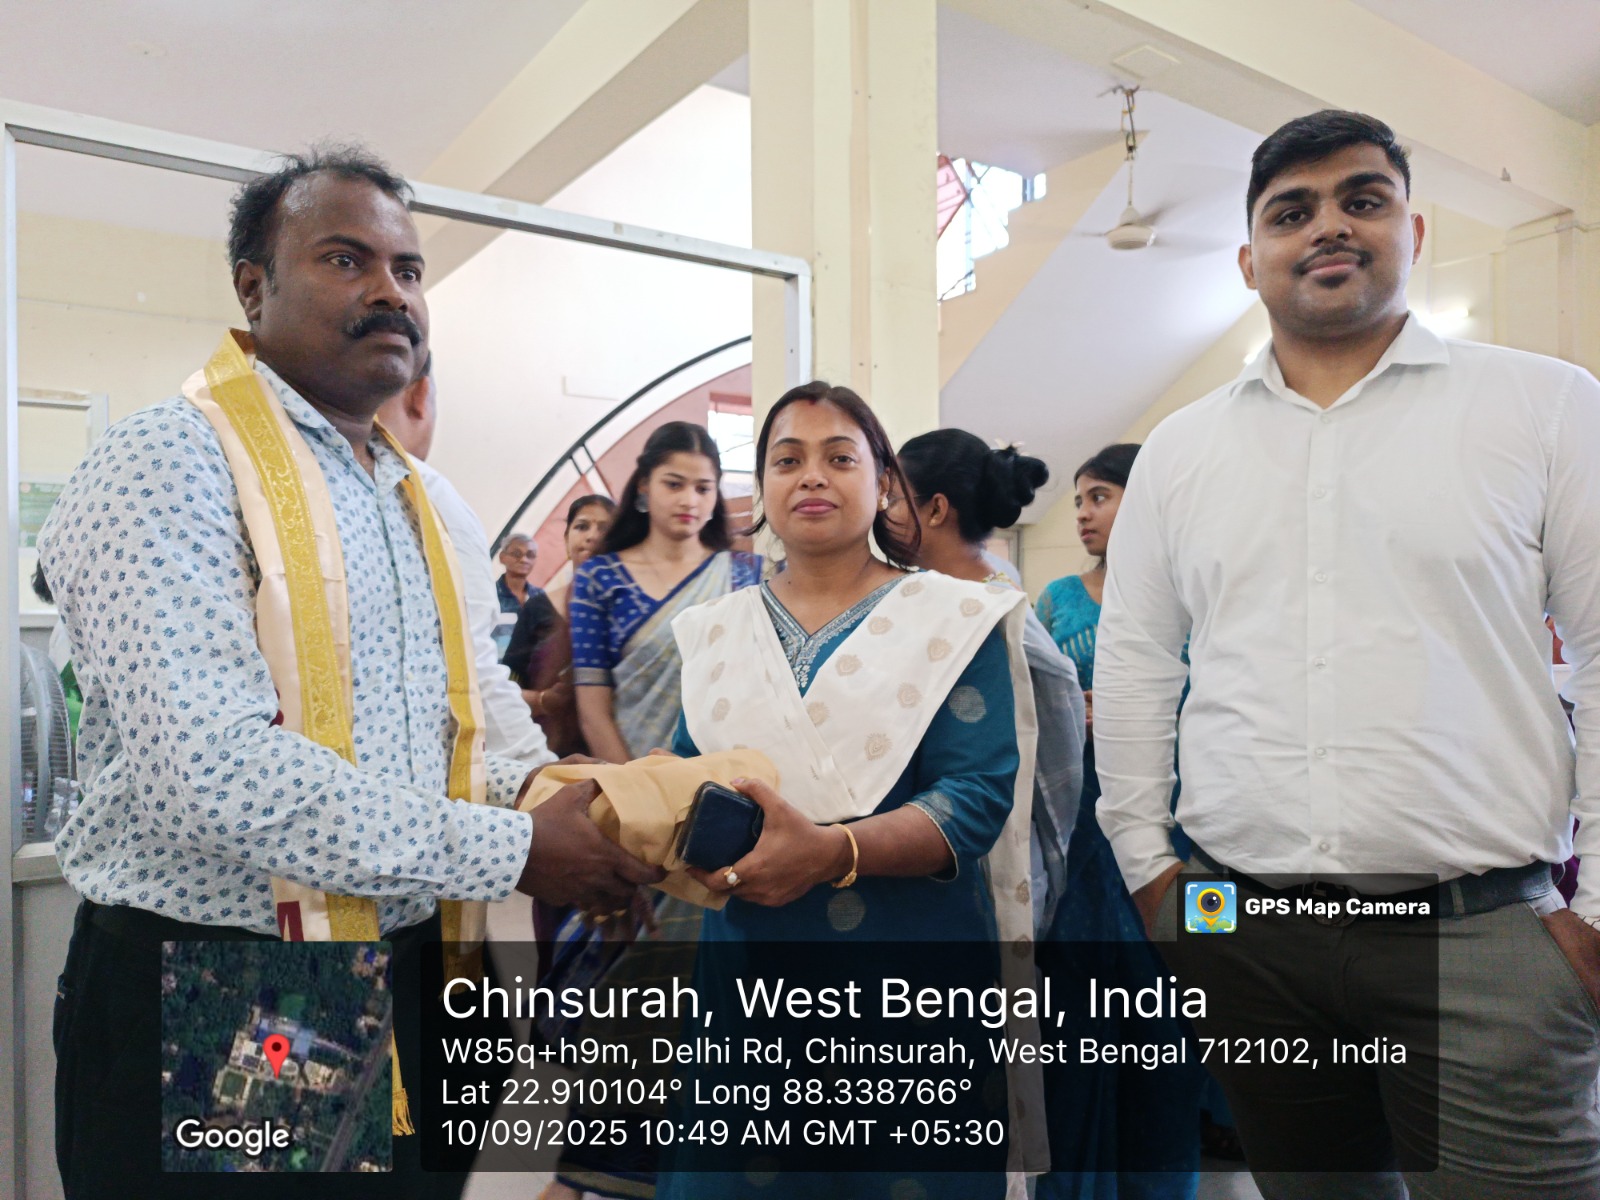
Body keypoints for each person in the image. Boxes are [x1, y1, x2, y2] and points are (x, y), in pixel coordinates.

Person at [37, 146, 662, 1200]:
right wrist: (517, 847)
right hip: (235, 977)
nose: (391, 292)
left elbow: (476, 714)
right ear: (253, 287)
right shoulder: (168, 462)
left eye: (408, 269)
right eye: (345, 259)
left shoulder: (417, 496)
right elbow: (212, 773)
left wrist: (585, 808)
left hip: (415, 960)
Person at [1093, 110, 1600, 1199]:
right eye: (1291, 212)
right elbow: (1136, 663)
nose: (1327, 227)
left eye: (1361, 200)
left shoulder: (1545, 407)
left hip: (1478, 931)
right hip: (1242, 929)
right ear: (1248, 260)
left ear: (1412, 231)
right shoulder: (1183, 450)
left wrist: (1597, 909)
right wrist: (1148, 870)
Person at [660, 383, 1041, 1200]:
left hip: (907, 971)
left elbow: (976, 795)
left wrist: (832, 852)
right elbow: (692, 779)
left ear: (884, 486)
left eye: (840, 457)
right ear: (762, 487)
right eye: (786, 460)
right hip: (750, 971)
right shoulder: (718, 632)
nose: (812, 476)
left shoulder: (951, 619)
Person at [1028, 443, 1203, 1197]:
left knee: (1186, 998)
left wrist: (1142, 714)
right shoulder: (1058, 600)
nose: (1083, 514)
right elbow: (1031, 711)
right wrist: (1073, 712)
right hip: (1086, 829)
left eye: (1100, 496)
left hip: (1192, 827)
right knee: (1082, 1009)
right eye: (1078, 501)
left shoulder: (1194, 589)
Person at [896, 428, 1084, 937]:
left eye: (893, 499)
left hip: (988, 841)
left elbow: (1056, 700)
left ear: (936, 510)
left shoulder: (991, 608)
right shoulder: (931, 592)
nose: (881, 513)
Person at [376, 353, 554, 767]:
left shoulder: (287, 480)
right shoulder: (425, 496)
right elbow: (469, 670)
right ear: (421, 396)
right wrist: (539, 768)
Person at [571, 420, 762, 763]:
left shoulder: (748, 575)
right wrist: (637, 786)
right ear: (644, 485)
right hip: (631, 772)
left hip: (727, 777)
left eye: (703, 489)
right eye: (674, 485)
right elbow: (593, 711)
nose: (689, 500)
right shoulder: (600, 578)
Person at [510, 494, 617, 757]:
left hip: (619, 755)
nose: (592, 536)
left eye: (604, 529)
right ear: (567, 541)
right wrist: (543, 700)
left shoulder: (631, 612)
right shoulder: (538, 608)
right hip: (548, 756)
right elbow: (505, 690)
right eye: (582, 526)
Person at [492, 531, 549, 657]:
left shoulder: (541, 597)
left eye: (530, 555)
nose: (524, 559)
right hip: (498, 667)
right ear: (502, 557)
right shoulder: (490, 595)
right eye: (516, 554)